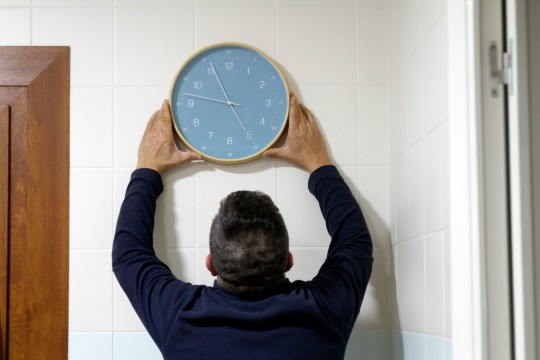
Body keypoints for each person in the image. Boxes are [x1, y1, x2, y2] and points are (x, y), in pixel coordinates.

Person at [112, 94, 373, 360]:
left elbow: (129, 256)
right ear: (288, 261)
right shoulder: (324, 312)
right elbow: (355, 242)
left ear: (211, 263)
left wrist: (147, 167)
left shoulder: (181, 317)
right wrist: (318, 162)